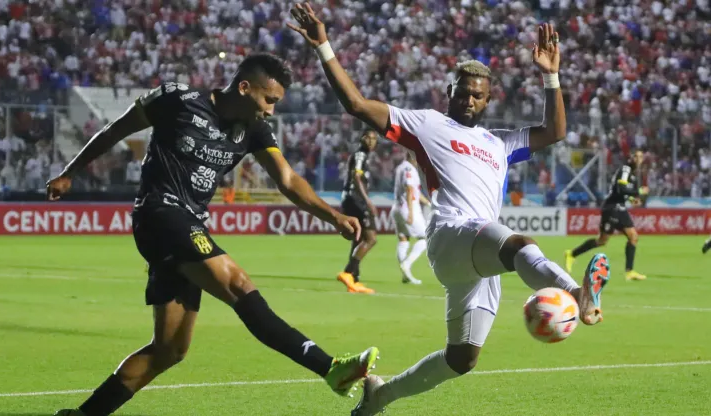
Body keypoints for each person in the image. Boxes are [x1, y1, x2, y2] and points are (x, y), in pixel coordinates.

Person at [288, 7, 609, 415]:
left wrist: (551, 75)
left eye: (478, 94)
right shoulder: (427, 124)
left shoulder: (500, 143)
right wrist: (324, 46)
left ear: (489, 99)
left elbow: (555, 132)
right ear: (450, 90)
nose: (469, 99)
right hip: (453, 234)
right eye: (462, 91)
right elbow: (355, 104)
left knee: (462, 359)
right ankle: (577, 294)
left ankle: (377, 398)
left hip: (478, 260)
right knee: (518, 244)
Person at [49, 53, 379, 416]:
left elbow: (286, 179)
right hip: (160, 214)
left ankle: (84, 414)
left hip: (188, 226)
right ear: (244, 87)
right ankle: (331, 369)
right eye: (269, 100)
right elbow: (115, 130)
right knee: (239, 284)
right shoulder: (175, 100)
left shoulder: (253, 129)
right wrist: (70, 172)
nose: (271, 111)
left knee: (170, 350)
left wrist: (331, 215)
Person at [565, 150, 647, 281]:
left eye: (641, 157)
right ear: (631, 158)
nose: (639, 159)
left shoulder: (633, 175)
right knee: (602, 240)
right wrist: (638, 191)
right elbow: (620, 188)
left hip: (620, 208)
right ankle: (571, 254)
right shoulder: (625, 169)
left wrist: (632, 199)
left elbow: (623, 192)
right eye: (637, 156)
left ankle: (629, 272)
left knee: (633, 237)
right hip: (611, 208)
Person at [336, 129, 379, 294]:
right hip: (355, 199)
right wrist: (367, 201)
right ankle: (348, 272)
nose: (371, 141)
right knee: (371, 238)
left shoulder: (363, 156)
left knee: (358, 238)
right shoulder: (360, 155)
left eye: (374, 139)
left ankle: (353, 279)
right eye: (368, 138)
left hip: (350, 198)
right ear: (362, 138)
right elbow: (357, 177)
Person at [391, 151, 431, 284]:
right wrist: (410, 213)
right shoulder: (409, 169)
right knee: (424, 238)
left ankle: (405, 275)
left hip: (396, 207)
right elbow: (409, 189)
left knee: (403, 240)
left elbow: (415, 192)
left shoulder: (400, 167)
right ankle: (407, 264)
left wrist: (429, 203)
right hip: (408, 208)